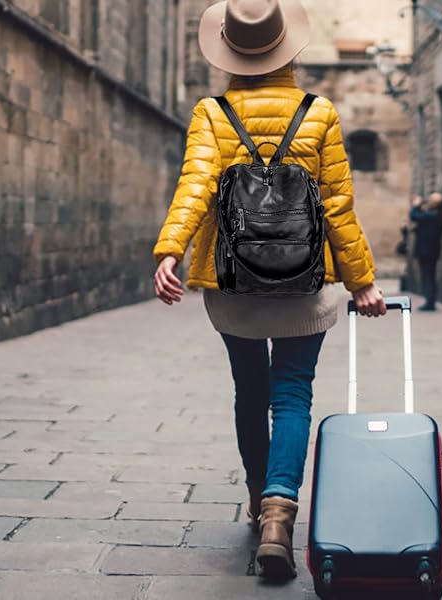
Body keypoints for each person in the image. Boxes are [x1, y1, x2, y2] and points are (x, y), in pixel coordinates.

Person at [151, 0, 386, 582]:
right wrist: (362, 282)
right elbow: (336, 206)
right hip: (306, 284)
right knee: (293, 394)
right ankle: (282, 510)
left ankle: (258, 503)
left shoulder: (212, 111)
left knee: (249, 391)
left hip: (233, 286)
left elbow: (197, 184)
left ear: (228, 51)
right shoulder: (319, 112)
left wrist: (170, 250)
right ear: (290, 50)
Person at [410, 192, 442, 311]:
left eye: (431, 200)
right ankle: (430, 300)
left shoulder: (435, 215)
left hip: (427, 250)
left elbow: (414, 216)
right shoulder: (437, 214)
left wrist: (416, 206)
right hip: (431, 250)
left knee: (428, 276)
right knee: (429, 275)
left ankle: (430, 302)